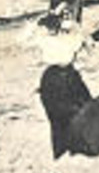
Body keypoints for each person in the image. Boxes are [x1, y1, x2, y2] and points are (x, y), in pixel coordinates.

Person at [31, 11, 92, 158]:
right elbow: (83, 40)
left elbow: (84, 41)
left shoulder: (54, 38)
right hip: (55, 77)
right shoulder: (51, 38)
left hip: (65, 75)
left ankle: (73, 148)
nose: (51, 31)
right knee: (60, 116)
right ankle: (65, 150)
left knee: (80, 110)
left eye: (52, 28)